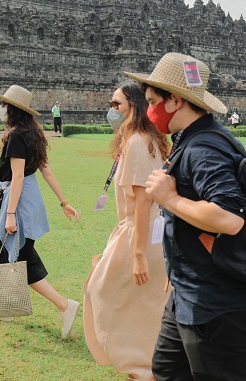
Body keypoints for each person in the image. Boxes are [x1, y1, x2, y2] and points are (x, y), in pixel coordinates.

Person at [126, 52, 246, 380]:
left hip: (220, 305)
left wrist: (170, 198)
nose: (148, 110)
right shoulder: (191, 139)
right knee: (166, 372)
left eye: (152, 101)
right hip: (190, 291)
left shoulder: (204, 149)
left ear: (175, 101)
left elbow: (229, 218)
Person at [0, 85, 82, 339]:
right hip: (31, 200)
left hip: (20, 201)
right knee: (4, 252)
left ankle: (64, 305)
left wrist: (11, 215)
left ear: (11, 109)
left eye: (4, 105)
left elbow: (17, 178)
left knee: (19, 257)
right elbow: (46, 171)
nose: (1, 109)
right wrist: (63, 202)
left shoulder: (15, 135)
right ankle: (5, 307)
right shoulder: (34, 133)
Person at [84, 80, 170, 380]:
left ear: (135, 107)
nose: (112, 110)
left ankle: (140, 370)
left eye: (116, 104)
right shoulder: (147, 139)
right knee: (140, 309)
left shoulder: (137, 142)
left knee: (100, 292)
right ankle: (143, 368)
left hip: (139, 233)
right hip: (146, 233)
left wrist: (138, 255)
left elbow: (144, 201)